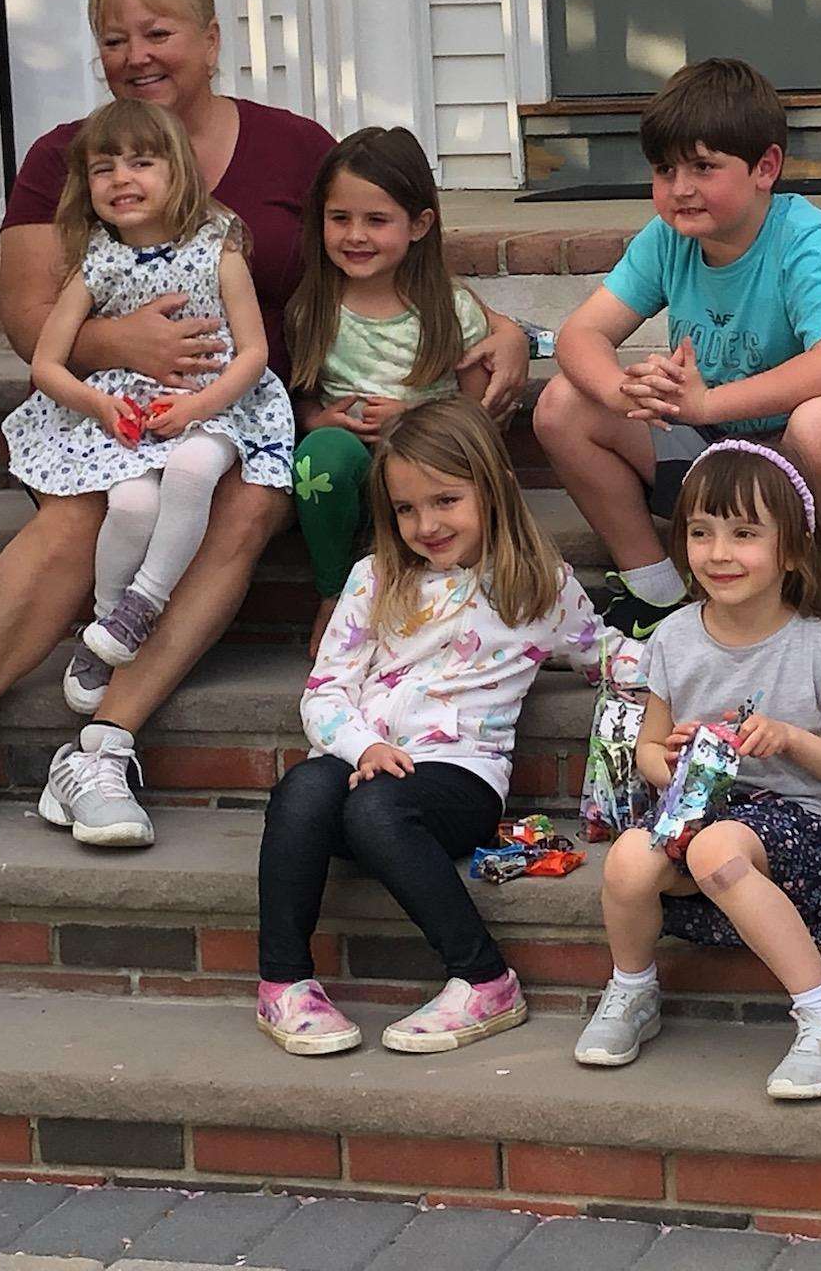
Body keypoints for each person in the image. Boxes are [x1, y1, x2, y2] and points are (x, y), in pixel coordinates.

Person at [0, 0, 529, 854]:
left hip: (258, 415)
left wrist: (500, 324)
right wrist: (123, 347)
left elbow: (381, 250)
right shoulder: (67, 155)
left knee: (245, 508)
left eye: (159, 32)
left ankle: (103, 745)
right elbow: (27, 319)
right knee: (75, 525)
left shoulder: (293, 146)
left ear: (212, 40)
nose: (138, 54)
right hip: (109, 413)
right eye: (114, 39)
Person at [532, 58, 821, 683]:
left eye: (703, 168)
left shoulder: (803, 238)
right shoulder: (666, 238)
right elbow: (581, 333)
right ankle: (655, 589)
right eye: (664, 170)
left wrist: (706, 404)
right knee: (564, 403)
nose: (680, 189)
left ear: (766, 168)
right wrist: (623, 390)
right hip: (717, 462)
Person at [255, 399, 614, 1055]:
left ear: (494, 487)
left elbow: (608, 655)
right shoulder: (377, 579)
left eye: (446, 500)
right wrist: (365, 744)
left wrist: (712, 658)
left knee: (376, 811)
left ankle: (483, 978)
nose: (426, 524)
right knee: (301, 789)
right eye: (406, 509)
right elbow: (325, 692)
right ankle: (285, 983)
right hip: (362, 761)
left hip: (459, 780)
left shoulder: (538, 587)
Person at [0, 99, 294, 843]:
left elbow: (252, 351)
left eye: (141, 162)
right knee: (129, 506)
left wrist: (203, 406)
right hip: (127, 412)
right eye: (104, 168)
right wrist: (98, 407)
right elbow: (46, 363)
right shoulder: (95, 260)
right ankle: (104, 634)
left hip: (220, 407)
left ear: (178, 172)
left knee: (193, 471)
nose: (121, 178)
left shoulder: (219, 244)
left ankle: (139, 608)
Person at [573, 442, 821, 1101]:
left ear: (792, 549)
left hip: (801, 824)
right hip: (700, 807)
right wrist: (676, 754)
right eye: (700, 532)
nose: (719, 552)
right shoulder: (676, 637)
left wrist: (793, 740)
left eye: (744, 534)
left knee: (714, 848)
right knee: (630, 858)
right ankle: (632, 990)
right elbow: (651, 754)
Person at [284, 126, 492, 654]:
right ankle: (335, 595)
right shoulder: (312, 309)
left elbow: (478, 415)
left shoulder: (450, 309)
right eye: (340, 218)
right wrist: (317, 421)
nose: (356, 235)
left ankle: (430, 601)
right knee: (319, 459)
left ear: (419, 224)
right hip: (348, 465)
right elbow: (300, 399)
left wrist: (415, 417)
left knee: (430, 471)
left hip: (428, 466)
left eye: (377, 220)